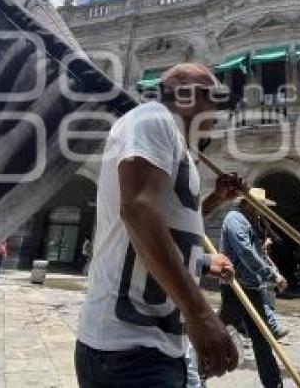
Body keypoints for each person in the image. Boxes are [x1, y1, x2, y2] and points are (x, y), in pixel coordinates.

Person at [76, 63, 241, 387]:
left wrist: (214, 201)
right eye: (212, 96)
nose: (216, 109)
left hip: (157, 345)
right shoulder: (153, 119)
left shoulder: (174, 141)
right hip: (128, 348)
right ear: (181, 88)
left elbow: (173, 227)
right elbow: (138, 210)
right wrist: (200, 313)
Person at [220, 188, 286, 388]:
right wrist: (271, 275)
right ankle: (195, 373)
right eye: (259, 206)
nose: (262, 210)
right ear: (247, 203)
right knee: (218, 330)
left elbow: (259, 252)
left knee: (262, 339)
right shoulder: (235, 219)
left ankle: (273, 384)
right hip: (235, 286)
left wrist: (275, 273)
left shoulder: (252, 221)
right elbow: (245, 253)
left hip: (251, 286)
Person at [260, 237, 288, 339]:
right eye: (267, 247)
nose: (268, 249)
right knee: (267, 306)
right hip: (265, 283)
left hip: (270, 284)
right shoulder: (260, 255)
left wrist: (279, 277)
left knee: (269, 306)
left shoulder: (266, 257)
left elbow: (273, 268)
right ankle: (274, 329)